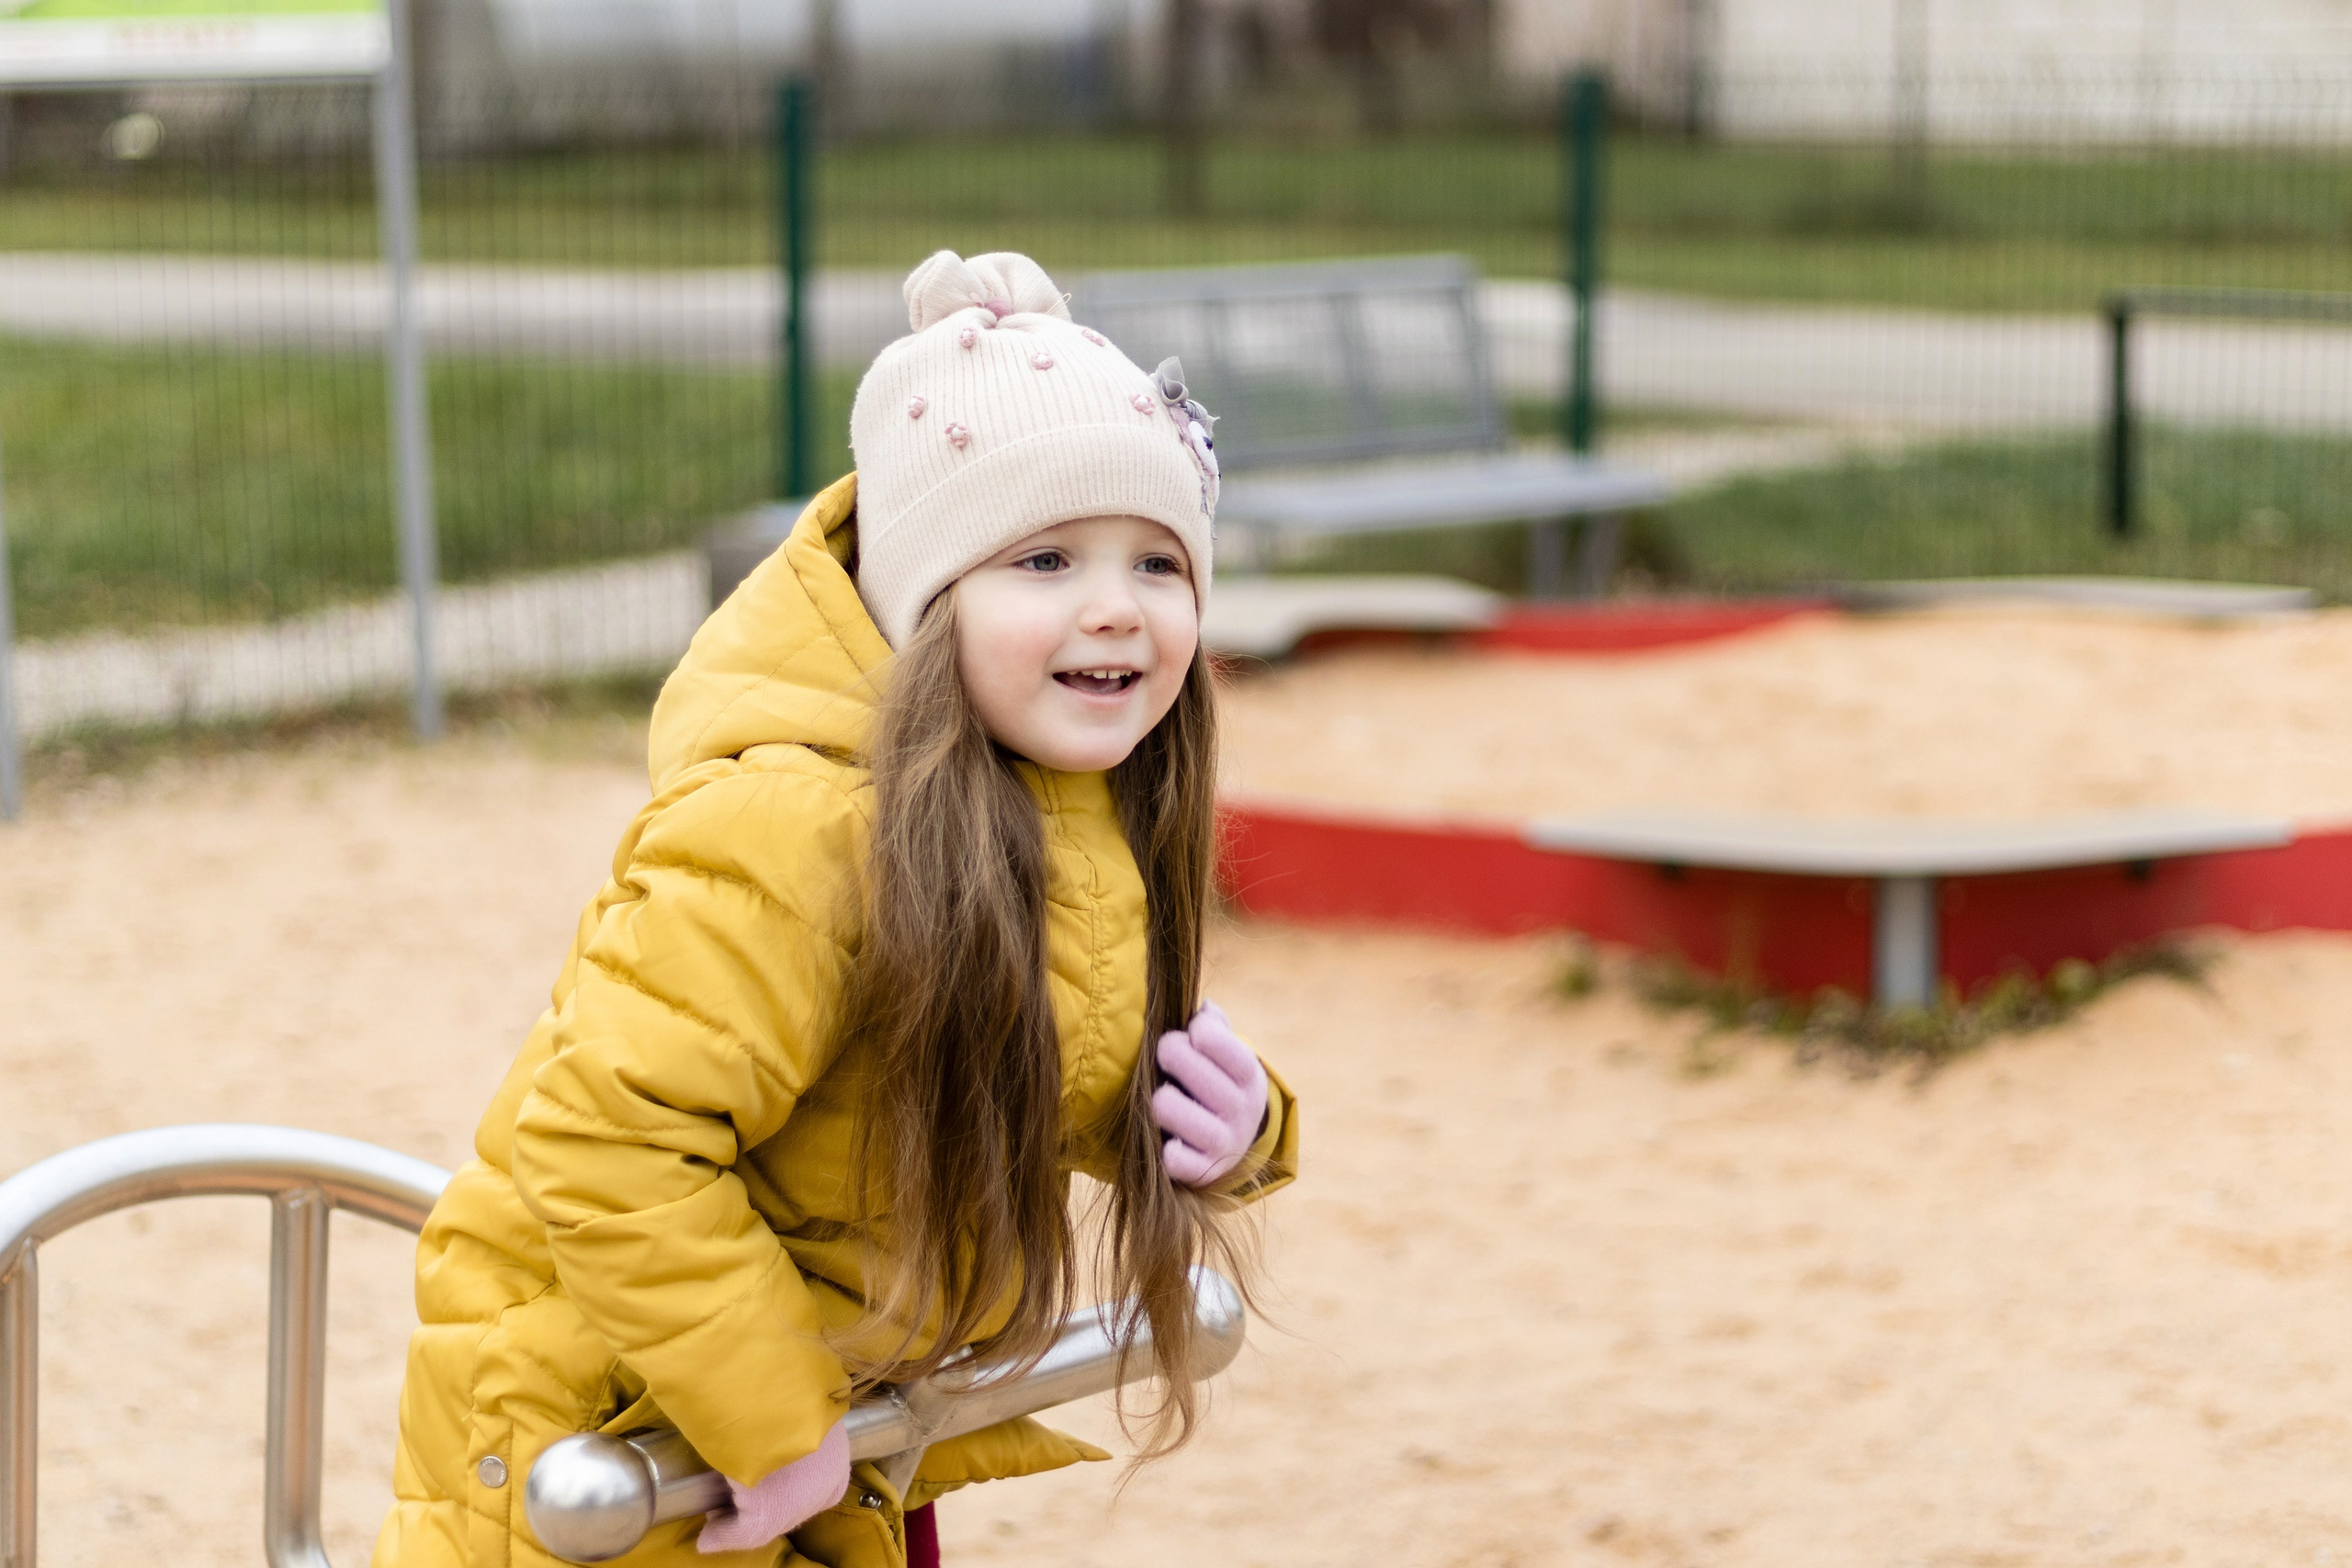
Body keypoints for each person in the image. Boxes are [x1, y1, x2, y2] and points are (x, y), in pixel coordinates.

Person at [372, 250, 1300, 1568]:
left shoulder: (1061, 808)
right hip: (618, 1433)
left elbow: (1014, 1063)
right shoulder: (795, 826)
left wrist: (1236, 1127)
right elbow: (605, 1136)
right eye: (1042, 558)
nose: (1116, 608)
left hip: (819, 1425)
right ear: (924, 604)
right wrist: (767, 1412)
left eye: (1158, 562)